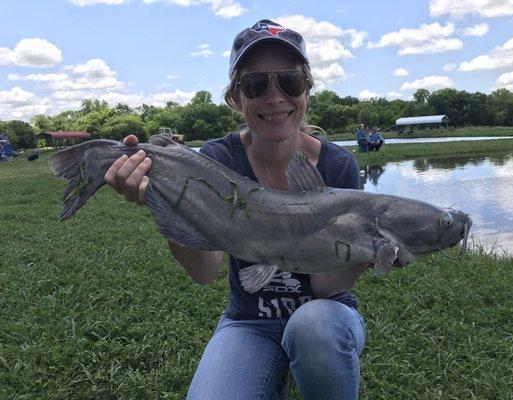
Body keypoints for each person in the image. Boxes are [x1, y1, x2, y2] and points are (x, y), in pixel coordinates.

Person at [105, 19, 366, 400]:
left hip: (325, 317)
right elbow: (203, 269)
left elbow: (325, 286)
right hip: (248, 322)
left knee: (313, 329)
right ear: (236, 97)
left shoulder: (338, 166)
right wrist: (165, 204)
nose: (274, 96)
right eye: (256, 84)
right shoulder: (214, 161)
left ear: (307, 89)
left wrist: (366, 252)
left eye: (289, 81)